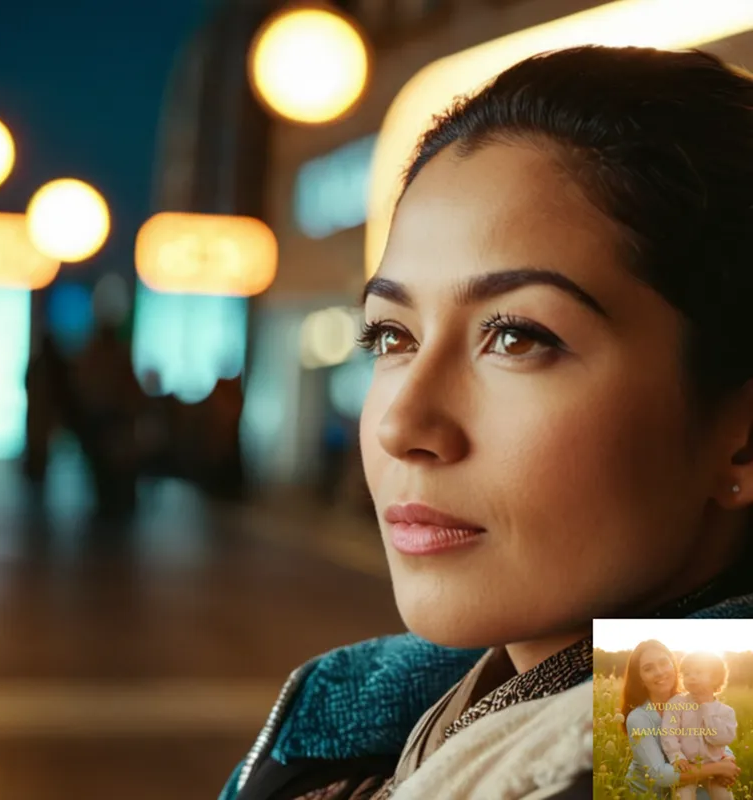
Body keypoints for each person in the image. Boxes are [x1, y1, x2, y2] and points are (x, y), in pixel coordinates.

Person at [219, 44, 753, 800]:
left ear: (742, 440)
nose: (402, 423)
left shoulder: (683, 765)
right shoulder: (378, 723)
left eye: (517, 338)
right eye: (392, 336)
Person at [622, 641, 739, 799]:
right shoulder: (638, 718)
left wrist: (728, 760)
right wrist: (718, 768)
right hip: (651, 794)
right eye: (648, 668)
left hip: (692, 782)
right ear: (640, 678)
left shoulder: (693, 700)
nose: (659, 672)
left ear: (674, 666)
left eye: (664, 663)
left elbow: (713, 738)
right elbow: (659, 774)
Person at [660, 652, 738, 800]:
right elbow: (668, 733)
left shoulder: (726, 712)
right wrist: (676, 757)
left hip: (715, 768)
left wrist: (706, 707)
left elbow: (721, 739)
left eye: (698, 672)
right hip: (687, 767)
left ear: (715, 678)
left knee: (724, 796)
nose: (692, 677)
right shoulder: (676, 703)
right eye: (687, 673)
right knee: (682, 796)